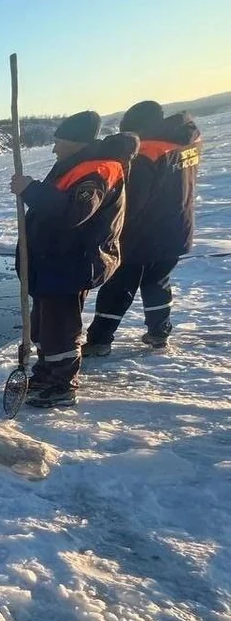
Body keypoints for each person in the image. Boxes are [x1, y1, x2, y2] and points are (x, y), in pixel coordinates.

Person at [10, 111, 139, 408]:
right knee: (45, 325)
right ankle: (46, 374)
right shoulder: (76, 164)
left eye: (59, 142)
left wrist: (31, 190)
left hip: (71, 263)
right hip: (55, 261)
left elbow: (73, 212)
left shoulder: (97, 171)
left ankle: (62, 385)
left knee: (60, 328)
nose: (54, 149)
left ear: (76, 142)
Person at [83, 101, 202, 355]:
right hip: (178, 227)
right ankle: (159, 332)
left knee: (118, 284)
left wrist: (111, 225)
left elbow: (133, 200)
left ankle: (99, 341)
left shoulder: (147, 151)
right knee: (157, 280)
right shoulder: (186, 141)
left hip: (144, 233)